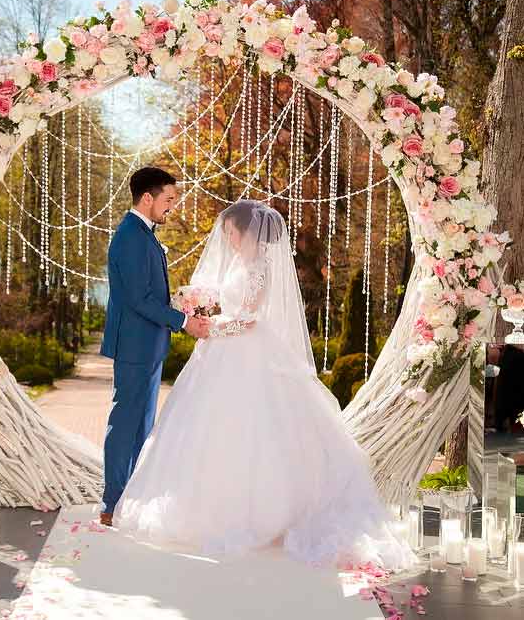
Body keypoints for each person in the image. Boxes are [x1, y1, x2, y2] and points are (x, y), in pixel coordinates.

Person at [113, 200, 413, 569]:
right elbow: (229, 305)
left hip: (245, 347)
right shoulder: (240, 263)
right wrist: (202, 308)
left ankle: (267, 513)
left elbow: (251, 318)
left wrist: (216, 328)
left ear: (246, 232)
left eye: (232, 234)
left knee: (256, 428)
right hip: (224, 350)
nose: (229, 241)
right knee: (212, 429)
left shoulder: (261, 266)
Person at [99, 167, 210, 527]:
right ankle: (112, 502)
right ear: (147, 198)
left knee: (140, 426)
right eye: (169, 200)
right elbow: (137, 298)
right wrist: (183, 322)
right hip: (134, 345)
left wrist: (181, 305)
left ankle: (126, 498)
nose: (171, 207)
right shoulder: (131, 236)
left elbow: (151, 294)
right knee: (126, 423)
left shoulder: (144, 234)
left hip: (147, 345)